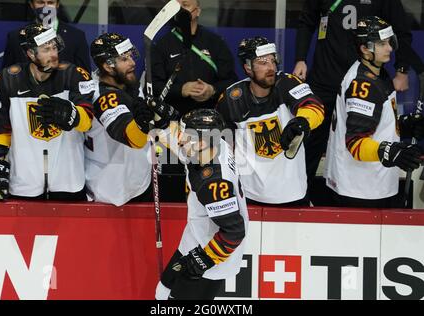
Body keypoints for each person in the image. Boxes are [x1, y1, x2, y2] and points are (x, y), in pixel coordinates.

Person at [293, 0, 424, 200]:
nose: (388, 47)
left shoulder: (375, 79)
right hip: (327, 78)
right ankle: (301, 199)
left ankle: (352, 193)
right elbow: (306, 21)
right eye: (383, 44)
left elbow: (400, 31)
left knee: (373, 131)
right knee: (314, 145)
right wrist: (300, 58)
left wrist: (402, 69)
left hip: (364, 74)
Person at [0, 22, 94, 201]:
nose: (53, 54)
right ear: (30, 53)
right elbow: (0, 128)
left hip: (68, 178)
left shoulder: (75, 74)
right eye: (46, 49)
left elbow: (87, 121)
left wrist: (70, 114)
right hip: (24, 180)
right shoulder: (6, 80)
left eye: (54, 48)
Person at [324, 16, 424, 208]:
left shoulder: (376, 72)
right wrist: (392, 152)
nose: (389, 48)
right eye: (381, 43)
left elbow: (376, 123)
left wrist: (406, 125)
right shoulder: (363, 84)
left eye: (389, 41)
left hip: (370, 185)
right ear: (364, 48)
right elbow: (355, 142)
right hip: (360, 189)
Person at [216, 36, 325, 206]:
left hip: (293, 194)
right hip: (249, 196)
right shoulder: (231, 99)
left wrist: (303, 120)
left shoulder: (287, 83)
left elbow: (314, 106)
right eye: (262, 62)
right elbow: (223, 147)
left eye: (273, 61)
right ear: (247, 68)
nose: (271, 67)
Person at [155, 109, 248, 300]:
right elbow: (182, 147)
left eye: (185, 136)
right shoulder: (211, 146)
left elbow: (234, 231)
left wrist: (204, 260)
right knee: (162, 292)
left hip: (214, 255)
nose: (180, 140)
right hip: (195, 236)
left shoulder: (214, 183)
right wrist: (163, 120)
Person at [85, 32, 178, 206]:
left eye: (130, 55)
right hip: (107, 190)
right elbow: (129, 138)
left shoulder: (129, 83)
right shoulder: (101, 95)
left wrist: (161, 121)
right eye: (124, 59)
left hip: (138, 183)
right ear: (107, 65)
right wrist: (143, 124)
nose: (132, 63)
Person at [150, 0, 238, 116]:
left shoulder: (215, 42)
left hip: (211, 117)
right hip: (173, 119)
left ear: (197, 11)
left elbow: (232, 81)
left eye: (185, 5)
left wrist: (212, 90)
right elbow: (153, 87)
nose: (180, 10)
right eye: (176, 6)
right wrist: (181, 90)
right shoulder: (161, 45)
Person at [2, 0, 91, 72]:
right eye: (40, 2)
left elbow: (84, 75)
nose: (46, 7)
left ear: (57, 4)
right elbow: (7, 74)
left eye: (50, 2)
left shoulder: (76, 36)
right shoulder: (15, 36)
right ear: (31, 4)